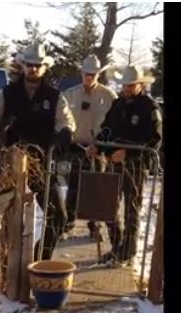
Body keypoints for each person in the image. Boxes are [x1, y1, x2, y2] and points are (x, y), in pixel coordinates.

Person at [0, 43, 76, 260]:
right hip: (11, 164)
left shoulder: (55, 96)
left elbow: (68, 122)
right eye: (29, 65)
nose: (33, 69)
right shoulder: (6, 94)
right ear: (22, 66)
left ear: (44, 67)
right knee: (11, 219)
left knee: (57, 216)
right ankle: (8, 266)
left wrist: (65, 133)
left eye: (38, 65)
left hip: (42, 163)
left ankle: (40, 260)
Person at [87, 64, 162, 264]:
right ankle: (117, 245)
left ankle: (128, 251)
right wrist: (98, 145)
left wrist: (129, 152)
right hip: (113, 162)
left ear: (139, 85)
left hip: (135, 165)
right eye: (124, 85)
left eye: (130, 85)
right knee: (108, 205)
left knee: (131, 209)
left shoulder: (149, 108)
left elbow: (154, 139)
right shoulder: (118, 104)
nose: (125, 89)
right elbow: (106, 129)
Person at [63, 55, 117, 238]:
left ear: (98, 75)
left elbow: (114, 123)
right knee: (73, 185)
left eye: (93, 74)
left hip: (98, 148)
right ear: (81, 73)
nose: (89, 77)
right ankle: (68, 222)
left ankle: (95, 226)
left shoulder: (109, 96)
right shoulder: (70, 94)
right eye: (87, 73)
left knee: (96, 188)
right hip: (76, 146)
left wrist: (105, 147)